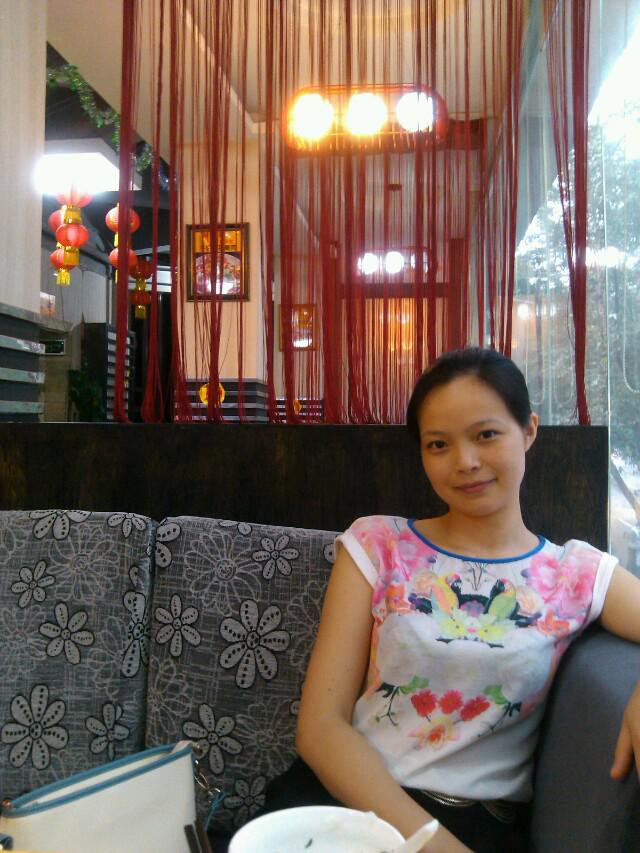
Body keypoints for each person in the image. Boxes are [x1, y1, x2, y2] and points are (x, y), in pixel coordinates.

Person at [262, 347, 640, 853]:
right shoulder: (378, 545)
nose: (465, 462)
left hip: (479, 825)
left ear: (528, 430)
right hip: (346, 804)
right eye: (438, 444)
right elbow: (320, 728)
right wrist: (430, 843)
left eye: (486, 435)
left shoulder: (574, 574)